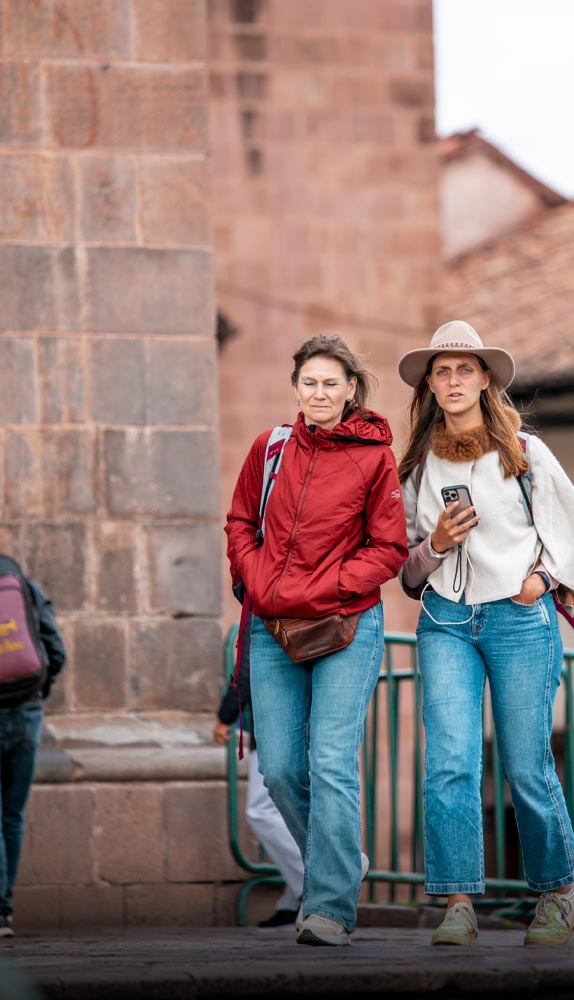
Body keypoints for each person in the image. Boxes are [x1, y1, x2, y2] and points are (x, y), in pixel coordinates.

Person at [397, 321, 574, 947]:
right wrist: (435, 545)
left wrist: (542, 578)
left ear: (484, 380)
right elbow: (407, 571)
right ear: (429, 384)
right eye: (441, 371)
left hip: (519, 619)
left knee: (526, 763)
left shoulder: (527, 453)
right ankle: (457, 903)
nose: (452, 381)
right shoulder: (416, 466)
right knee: (449, 762)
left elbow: (569, 532)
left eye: (463, 370)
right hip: (445, 619)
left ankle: (558, 892)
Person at [225, 334, 408, 947]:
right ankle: (338, 863)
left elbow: (389, 548)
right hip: (272, 628)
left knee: (331, 763)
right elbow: (239, 521)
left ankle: (329, 906)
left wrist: (326, 587)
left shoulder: (375, 458)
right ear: (296, 387)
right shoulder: (270, 447)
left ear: (351, 389)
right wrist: (256, 577)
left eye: (331, 383)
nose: (320, 393)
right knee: (277, 769)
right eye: (309, 382)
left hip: (346, 625)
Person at [213, 614, 304, 927]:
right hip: (305, 715)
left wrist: (226, 714)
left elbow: (248, 665)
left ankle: (320, 880)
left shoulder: (264, 589)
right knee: (291, 808)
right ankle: (296, 897)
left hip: (278, 719)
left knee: (262, 810)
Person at [0, 557, 66, 939]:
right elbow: (55, 651)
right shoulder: (25, 586)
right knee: (12, 815)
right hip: (27, 713)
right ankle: (4, 909)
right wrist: (37, 690)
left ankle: (0, 911)